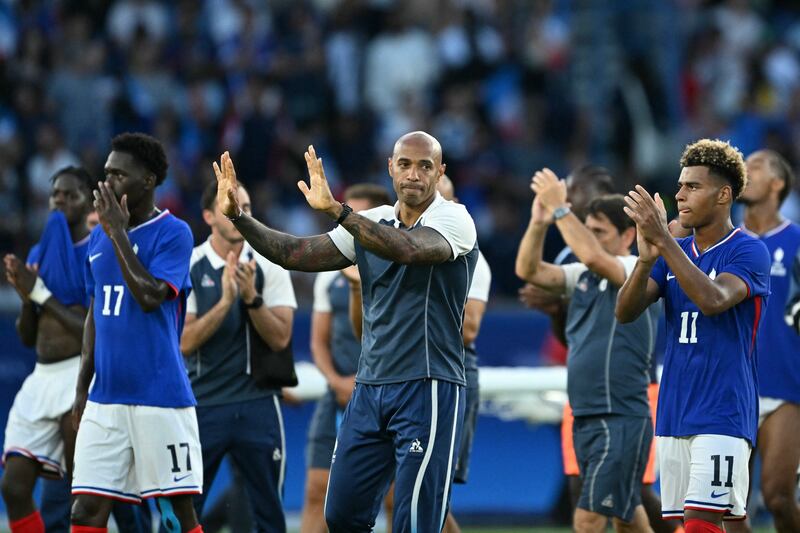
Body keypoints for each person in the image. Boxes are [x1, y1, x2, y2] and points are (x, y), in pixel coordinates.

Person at [213, 130, 478, 532]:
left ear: (440, 173)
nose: (414, 174)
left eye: (426, 166)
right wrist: (238, 218)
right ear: (390, 167)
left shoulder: (454, 219)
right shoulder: (371, 221)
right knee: (340, 515)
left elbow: (406, 249)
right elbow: (294, 254)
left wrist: (339, 211)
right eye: (404, 163)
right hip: (370, 386)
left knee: (416, 522)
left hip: (429, 386)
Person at [616, 139, 770, 533]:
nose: (680, 195)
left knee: (701, 525)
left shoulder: (749, 251)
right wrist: (647, 258)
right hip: (675, 407)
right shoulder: (672, 253)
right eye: (680, 185)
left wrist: (664, 243)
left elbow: (714, 299)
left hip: (723, 407)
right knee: (718, 523)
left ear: (723, 195)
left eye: (693, 187)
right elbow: (626, 311)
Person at [340, 175, 491, 533]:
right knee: (390, 504)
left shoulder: (463, 241)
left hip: (439, 377)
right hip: (377, 380)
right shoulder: (380, 244)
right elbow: (364, 333)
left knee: (425, 505)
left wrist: (340, 214)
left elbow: (469, 330)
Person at [70, 132, 203, 533]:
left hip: (159, 396)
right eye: (105, 174)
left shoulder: (174, 233)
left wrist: (118, 235)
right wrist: (81, 388)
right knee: (85, 512)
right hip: (105, 398)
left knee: (176, 517)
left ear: (148, 181)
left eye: (118, 175)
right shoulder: (98, 236)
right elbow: (96, 313)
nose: (106, 183)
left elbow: (150, 296)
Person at [515, 169, 655, 533]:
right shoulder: (582, 275)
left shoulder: (634, 269)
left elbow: (594, 258)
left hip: (620, 413)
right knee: (627, 516)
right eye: (588, 230)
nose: (589, 239)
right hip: (586, 412)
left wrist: (561, 209)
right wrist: (538, 221)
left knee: (588, 519)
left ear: (628, 236)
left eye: (599, 232)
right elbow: (528, 269)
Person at [181, 180, 297, 532]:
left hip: (258, 403)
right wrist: (225, 302)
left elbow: (280, 338)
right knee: (185, 511)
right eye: (229, 206)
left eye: (244, 206)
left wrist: (251, 299)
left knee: (269, 515)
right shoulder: (189, 264)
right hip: (203, 403)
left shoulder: (271, 263)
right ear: (207, 216)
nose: (238, 212)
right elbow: (184, 341)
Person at [2, 167, 93, 533]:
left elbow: (93, 328)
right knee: (13, 487)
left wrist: (39, 292)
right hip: (41, 376)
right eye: (56, 193)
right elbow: (27, 336)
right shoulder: (42, 249)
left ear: (88, 199)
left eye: (71, 194)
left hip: (79, 374)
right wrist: (27, 298)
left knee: (82, 495)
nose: (61, 200)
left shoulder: (99, 248)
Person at [300, 183, 393, 533]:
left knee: (395, 498)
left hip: (387, 393)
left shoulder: (399, 268)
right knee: (316, 490)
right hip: (338, 391)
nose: (345, 225)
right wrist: (336, 380)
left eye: (354, 217)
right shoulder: (331, 274)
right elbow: (318, 342)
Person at [732, 149, 800, 533]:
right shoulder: (722, 240)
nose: (746, 170)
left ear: (777, 184)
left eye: (756, 166)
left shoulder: (796, 241)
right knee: (730, 505)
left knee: (777, 496)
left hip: (785, 384)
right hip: (730, 386)